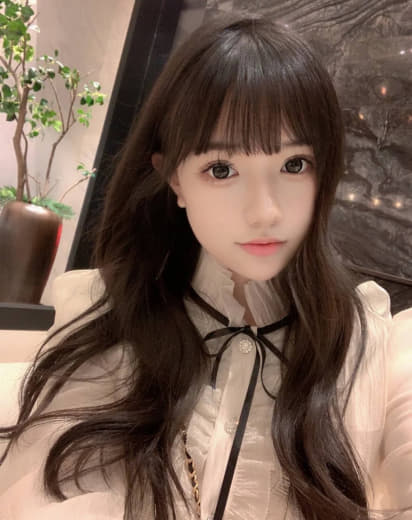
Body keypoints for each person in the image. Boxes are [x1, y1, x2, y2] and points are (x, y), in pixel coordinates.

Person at [0, 14, 411, 520]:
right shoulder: (103, 310)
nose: (265, 211)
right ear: (174, 179)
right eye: (222, 169)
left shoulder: (366, 337)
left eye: (294, 165)